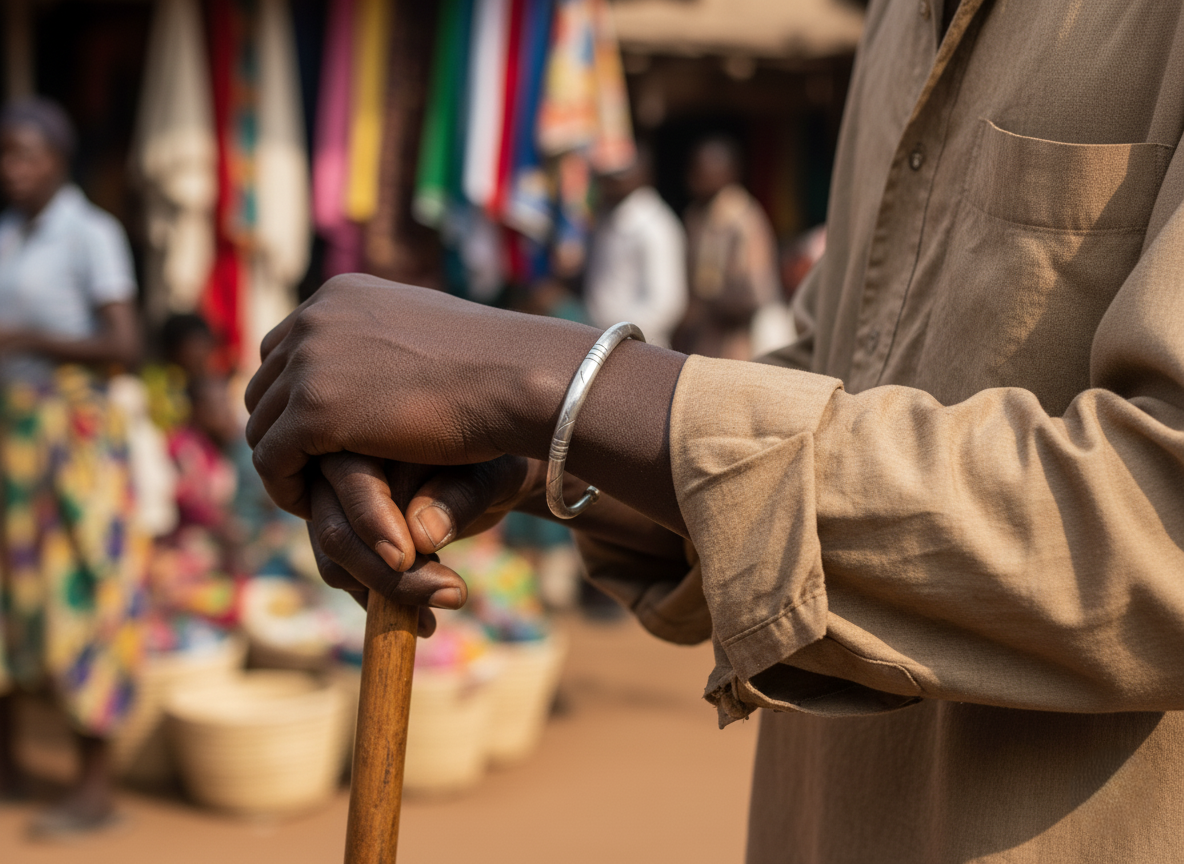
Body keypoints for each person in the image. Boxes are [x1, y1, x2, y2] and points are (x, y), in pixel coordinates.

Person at [246, 2, 1184, 861]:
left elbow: (1161, 531)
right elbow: (830, 389)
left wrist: (556, 380)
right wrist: (543, 447)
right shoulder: (900, 20)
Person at [0, 98, 143, 837]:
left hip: (73, 439)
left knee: (85, 588)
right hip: (12, 440)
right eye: (5, 155)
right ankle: (13, 762)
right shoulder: (8, 235)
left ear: (60, 158)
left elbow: (126, 345)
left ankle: (93, 788)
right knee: (12, 597)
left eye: (27, 155)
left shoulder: (92, 235)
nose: (12, 169)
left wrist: (26, 336)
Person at [672, 135, 781, 360]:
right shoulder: (697, 216)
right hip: (700, 342)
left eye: (705, 171)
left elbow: (757, 295)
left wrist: (707, 303)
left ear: (730, 172)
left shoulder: (743, 219)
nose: (696, 179)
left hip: (736, 346)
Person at [584, 148, 687, 348]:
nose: (611, 175)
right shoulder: (605, 214)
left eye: (621, 169)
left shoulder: (656, 226)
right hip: (597, 342)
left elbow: (665, 304)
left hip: (635, 348)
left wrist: (618, 337)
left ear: (644, 173)